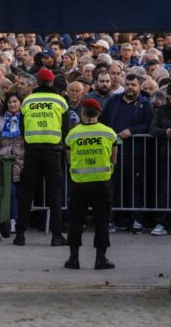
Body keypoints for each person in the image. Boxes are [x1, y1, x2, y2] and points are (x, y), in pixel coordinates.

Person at [13, 68, 70, 247]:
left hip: (32, 151)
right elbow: (66, 128)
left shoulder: (27, 101)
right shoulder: (60, 101)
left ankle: (20, 235)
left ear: (37, 83)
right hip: (53, 151)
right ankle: (57, 235)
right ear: (52, 83)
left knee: (26, 192)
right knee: (55, 194)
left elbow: (22, 128)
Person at [64, 98, 117, 270]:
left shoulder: (73, 134)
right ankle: (100, 258)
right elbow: (114, 158)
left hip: (79, 184)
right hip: (102, 183)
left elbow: (69, 159)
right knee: (102, 221)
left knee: (76, 221)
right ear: (98, 113)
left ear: (82, 113)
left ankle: (73, 258)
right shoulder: (109, 133)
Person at [99, 73, 154, 233]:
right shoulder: (114, 101)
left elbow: (149, 124)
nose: (130, 87)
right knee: (115, 187)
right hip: (115, 152)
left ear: (139, 86)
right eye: (128, 84)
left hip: (136, 153)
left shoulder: (145, 103)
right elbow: (103, 120)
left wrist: (132, 130)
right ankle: (115, 219)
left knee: (135, 187)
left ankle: (136, 219)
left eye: (133, 85)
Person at [149, 82, 171, 236]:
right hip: (165, 157)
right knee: (164, 191)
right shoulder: (162, 111)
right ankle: (161, 222)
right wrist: (166, 132)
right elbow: (152, 129)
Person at [0, 92, 25, 234]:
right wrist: (0, 150)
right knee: (11, 191)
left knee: (22, 192)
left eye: (15, 101)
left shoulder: (25, 119)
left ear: (20, 102)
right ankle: (12, 220)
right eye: (9, 102)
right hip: (5, 160)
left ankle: (22, 220)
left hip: (23, 158)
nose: (12, 104)